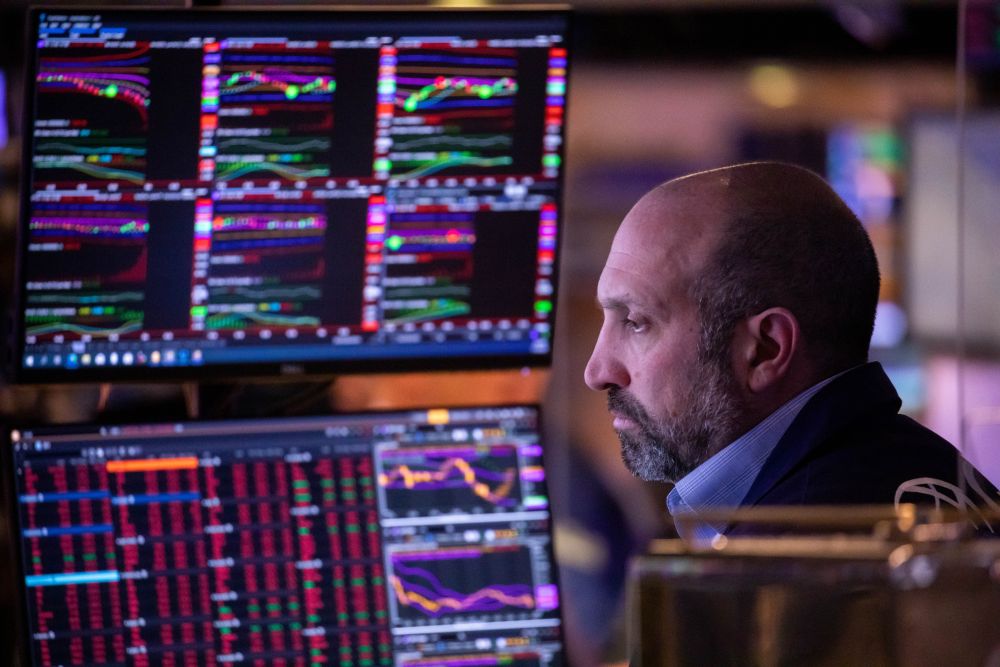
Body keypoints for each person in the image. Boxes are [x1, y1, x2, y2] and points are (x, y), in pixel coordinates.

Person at [583, 161, 996, 538]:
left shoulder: (792, 562)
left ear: (766, 349)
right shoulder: (933, 470)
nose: (597, 371)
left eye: (635, 322)